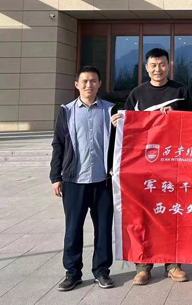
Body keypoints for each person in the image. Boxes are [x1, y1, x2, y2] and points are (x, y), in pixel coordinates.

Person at [110, 47, 192, 285]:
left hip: (174, 164)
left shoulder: (180, 91)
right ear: (146, 68)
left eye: (162, 64)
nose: (158, 69)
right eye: (153, 65)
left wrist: (176, 115)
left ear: (169, 65)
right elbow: (130, 129)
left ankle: (173, 264)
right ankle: (143, 265)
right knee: (144, 215)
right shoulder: (137, 94)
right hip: (145, 166)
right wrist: (118, 124)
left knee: (172, 214)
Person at [50, 65, 115, 292]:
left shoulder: (110, 110)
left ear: (99, 84)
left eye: (93, 81)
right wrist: (55, 176)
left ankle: (102, 271)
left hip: (102, 181)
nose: (89, 85)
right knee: (73, 229)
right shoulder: (66, 111)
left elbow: (120, 142)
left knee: (103, 229)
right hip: (74, 181)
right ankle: (72, 273)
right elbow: (58, 144)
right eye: (85, 81)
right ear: (76, 84)